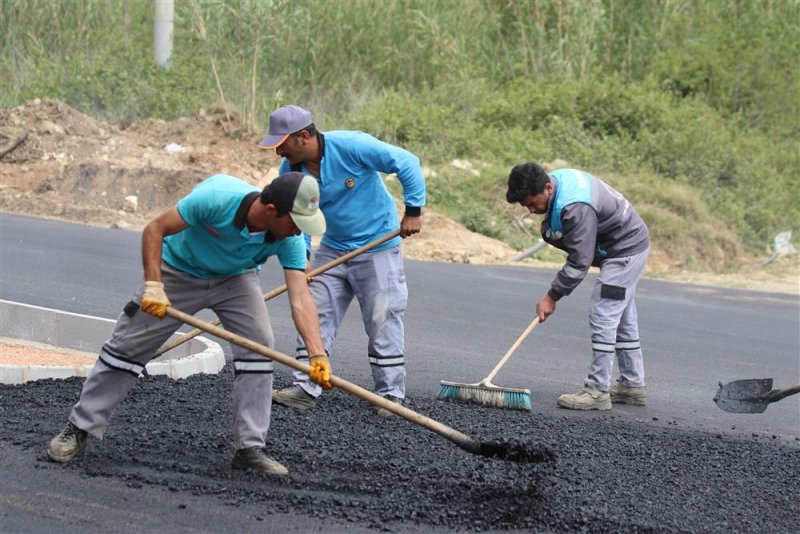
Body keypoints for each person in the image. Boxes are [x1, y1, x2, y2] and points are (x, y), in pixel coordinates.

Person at [46, 171, 332, 475]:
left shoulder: (289, 238)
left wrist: (317, 354)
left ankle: (250, 448)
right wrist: (154, 286)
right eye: (295, 222)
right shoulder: (215, 200)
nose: (298, 230)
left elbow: (301, 298)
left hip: (235, 278)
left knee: (260, 347)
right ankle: (79, 427)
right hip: (178, 270)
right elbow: (154, 230)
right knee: (126, 348)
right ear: (272, 210)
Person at [259, 105, 426, 416]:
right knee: (314, 310)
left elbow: (406, 162)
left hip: (377, 244)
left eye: (281, 144)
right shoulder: (291, 173)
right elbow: (300, 216)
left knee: (382, 316)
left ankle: (390, 395)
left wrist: (413, 211)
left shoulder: (351, 145)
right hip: (334, 249)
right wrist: (304, 256)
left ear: (303, 136)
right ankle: (306, 386)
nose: (278, 152)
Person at [506, 163, 650, 411]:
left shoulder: (575, 207)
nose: (531, 211)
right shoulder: (559, 181)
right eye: (526, 206)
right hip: (626, 245)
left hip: (624, 251)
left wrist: (552, 296)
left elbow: (579, 262)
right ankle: (632, 385)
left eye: (532, 203)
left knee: (604, 313)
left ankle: (597, 391)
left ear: (548, 188)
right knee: (622, 317)